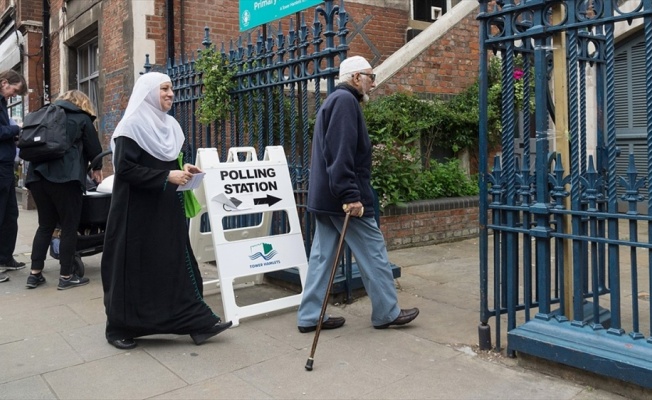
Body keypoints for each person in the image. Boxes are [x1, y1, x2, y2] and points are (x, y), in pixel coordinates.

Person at [101, 72, 231, 350]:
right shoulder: (131, 126)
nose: (171, 94)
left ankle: (197, 322)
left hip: (166, 209)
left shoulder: (170, 125)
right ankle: (119, 328)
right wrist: (165, 177)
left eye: (171, 89)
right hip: (135, 214)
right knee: (132, 268)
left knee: (174, 264)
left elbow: (167, 162)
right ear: (149, 92)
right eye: (164, 89)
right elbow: (125, 169)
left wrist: (183, 169)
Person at [297, 56, 419, 332]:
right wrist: (351, 196)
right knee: (373, 249)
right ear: (355, 78)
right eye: (370, 76)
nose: (373, 83)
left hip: (326, 198)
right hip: (344, 200)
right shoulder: (345, 102)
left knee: (321, 257)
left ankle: (309, 316)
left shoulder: (335, 102)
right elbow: (341, 156)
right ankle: (387, 311)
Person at [24, 90, 104, 290]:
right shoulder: (82, 118)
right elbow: (94, 149)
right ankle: (67, 276)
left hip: (36, 178)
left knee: (45, 225)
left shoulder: (45, 113)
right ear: (82, 103)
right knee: (69, 226)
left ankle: (34, 275)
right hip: (65, 179)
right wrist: (97, 169)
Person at [0, 70, 27, 283]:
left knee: (10, 215)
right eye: (13, 91)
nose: (13, 96)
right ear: (4, 82)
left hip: (6, 165)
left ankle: (5, 258)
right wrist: (15, 128)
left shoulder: (1, 102)